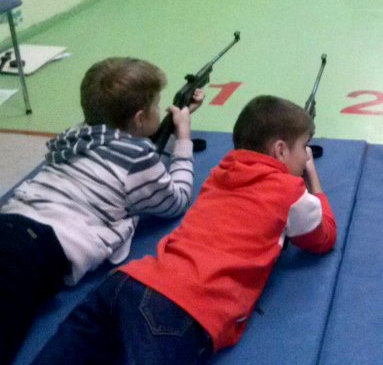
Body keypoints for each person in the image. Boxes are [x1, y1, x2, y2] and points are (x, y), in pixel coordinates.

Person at [31, 95, 337, 365]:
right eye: (304, 148)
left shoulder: (220, 173)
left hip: (127, 282)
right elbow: (323, 237)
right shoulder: (290, 190)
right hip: (181, 308)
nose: (305, 156)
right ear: (280, 150)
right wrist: (313, 179)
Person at [0, 57, 203, 364]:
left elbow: (127, 151)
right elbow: (176, 199)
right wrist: (183, 139)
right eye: (156, 105)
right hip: (36, 248)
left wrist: (168, 131)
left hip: (13, 221)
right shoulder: (137, 159)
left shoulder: (79, 133)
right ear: (138, 119)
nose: (160, 109)